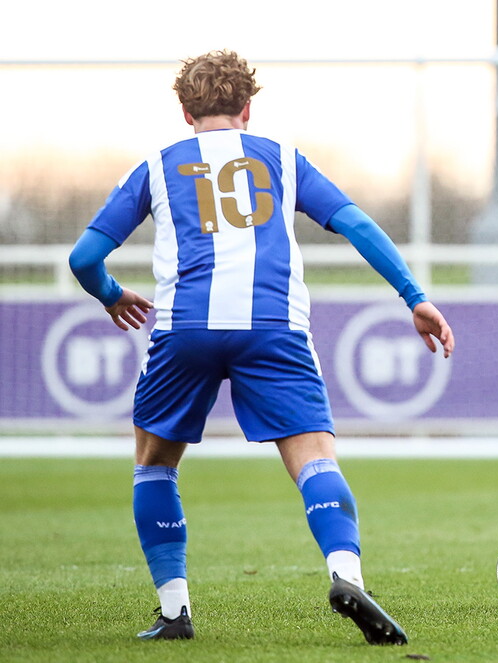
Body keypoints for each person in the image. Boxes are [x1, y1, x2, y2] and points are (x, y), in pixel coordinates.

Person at [68, 49, 454, 644]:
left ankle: (175, 614)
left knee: (154, 465)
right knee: (315, 458)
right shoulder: (284, 159)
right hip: (273, 326)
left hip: (184, 330)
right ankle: (346, 574)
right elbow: (356, 225)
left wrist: (113, 295)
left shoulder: (156, 165)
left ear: (184, 108)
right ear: (248, 107)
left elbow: (84, 258)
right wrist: (414, 296)